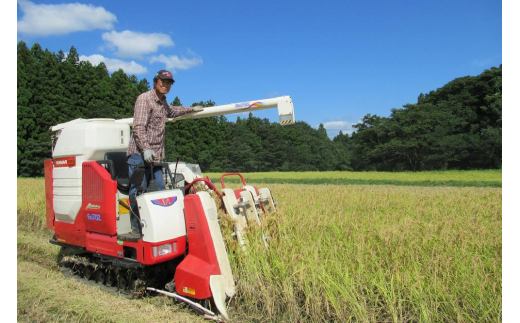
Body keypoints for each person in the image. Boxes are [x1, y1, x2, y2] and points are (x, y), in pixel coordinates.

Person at [126, 70, 203, 236]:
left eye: (169, 83)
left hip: (156, 156)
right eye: (163, 81)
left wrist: (192, 109)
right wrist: (145, 148)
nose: (166, 85)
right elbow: (138, 126)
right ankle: (136, 227)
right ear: (155, 82)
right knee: (138, 191)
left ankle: (159, 226)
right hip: (139, 154)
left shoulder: (163, 103)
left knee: (161, 189)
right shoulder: (144, 99)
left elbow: (173, 111)